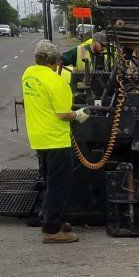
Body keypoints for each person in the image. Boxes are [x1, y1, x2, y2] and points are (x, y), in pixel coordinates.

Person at [21, 39, 89, 244]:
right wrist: (79, 114)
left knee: (50, 181)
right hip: (56, 140)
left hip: (38, 137)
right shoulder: (57, 82)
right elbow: (63, 114)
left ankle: (56, 221)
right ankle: (51, 230)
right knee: (59, 185)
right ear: (55, 61)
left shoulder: (28, 74)